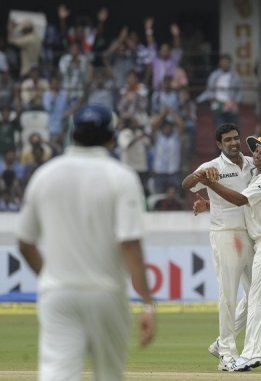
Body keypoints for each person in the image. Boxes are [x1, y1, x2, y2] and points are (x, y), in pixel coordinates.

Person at [16, 104, 156, 380]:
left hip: (58, 294)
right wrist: (148, 304)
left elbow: (25, 243)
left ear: (73, 134)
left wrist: (51, 277)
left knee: (57, 374)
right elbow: (129, 245)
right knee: (108, 375)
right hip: (106, 294)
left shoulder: (45, 175)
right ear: (111, 137)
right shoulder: (121, 176)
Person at [182, 125, 261, 372]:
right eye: (227, 140)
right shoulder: (213, 166)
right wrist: (203, 180)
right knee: (230, 296)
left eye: (235, 138)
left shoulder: (254, 162)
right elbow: (186, 184)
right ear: (219, 145)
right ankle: (227, 353)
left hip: (254, 237)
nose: (233, 142)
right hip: (226, 235)